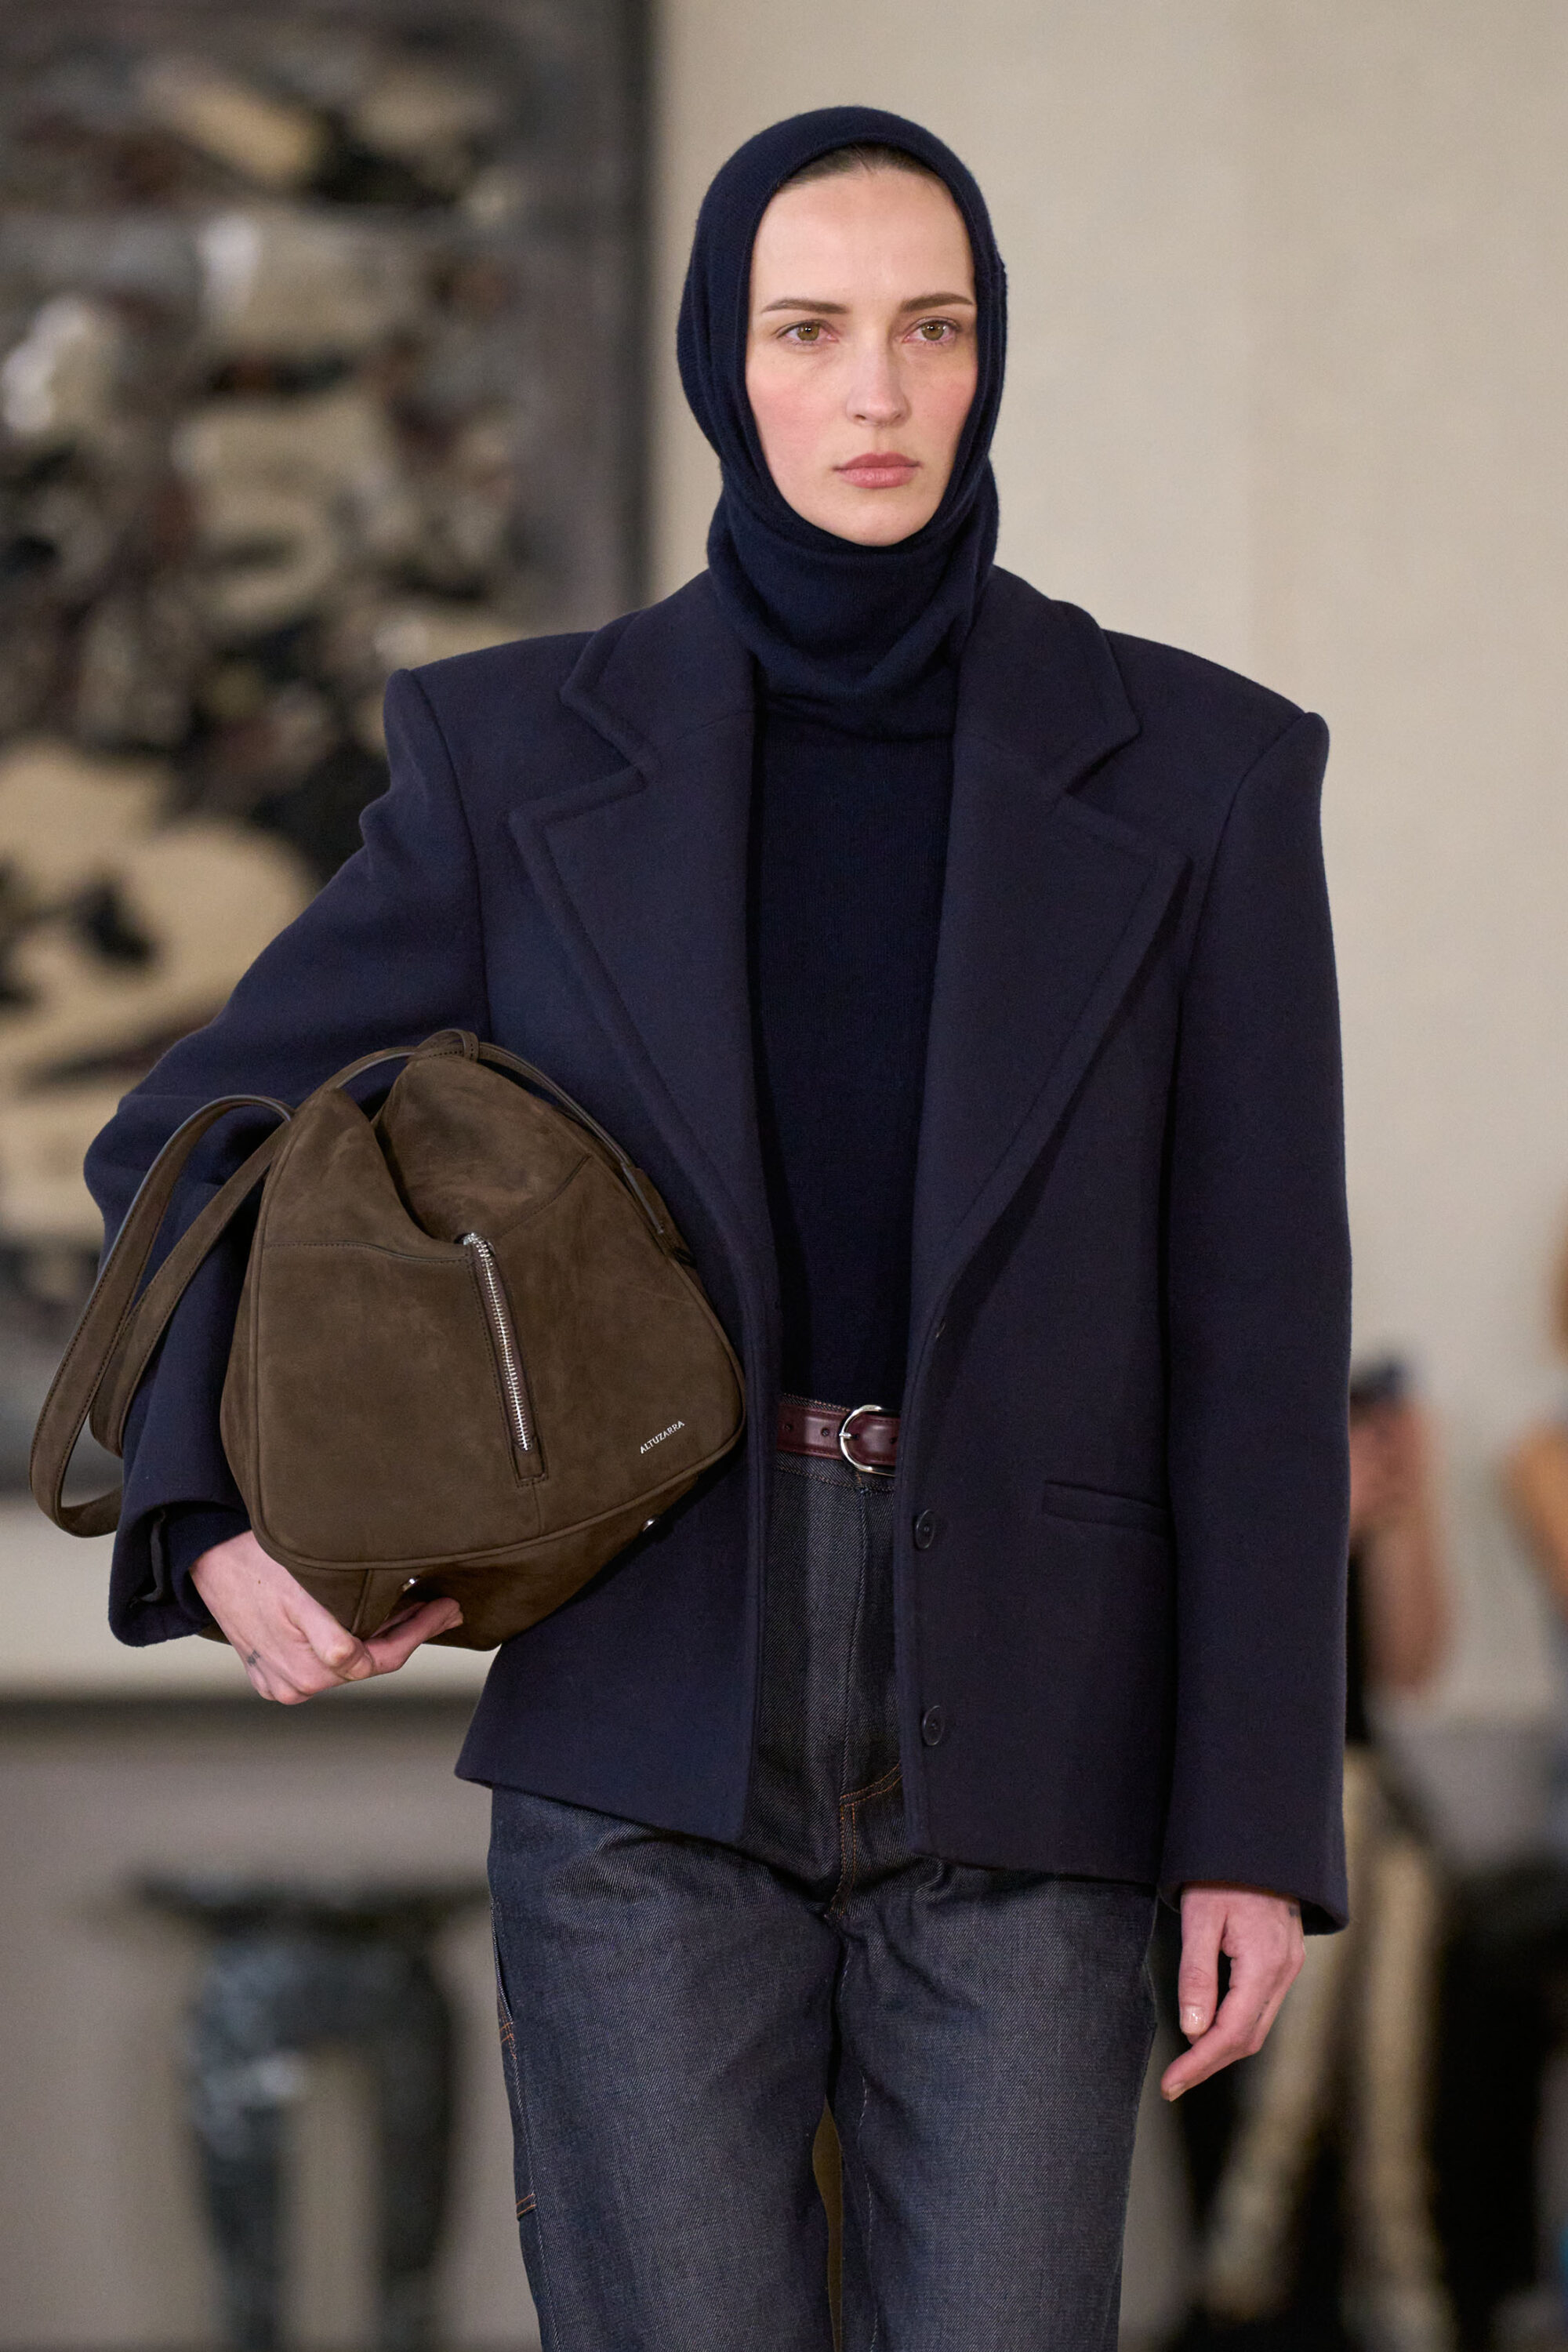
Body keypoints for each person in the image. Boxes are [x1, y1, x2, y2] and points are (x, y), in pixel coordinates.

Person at [82, 108, 1352, 2350]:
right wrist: (207, 1518)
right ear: (717, 361)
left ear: (988, 357)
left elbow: (1257, 1335)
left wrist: (1252, 1812)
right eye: (808, 329)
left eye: (929, 330)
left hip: (1039, 1731)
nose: (874, 391)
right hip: (642, 1718)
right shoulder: (514, 757)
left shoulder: (1201, 775)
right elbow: (190, 1138)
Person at [1160, 1361, 1452, 2352]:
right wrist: (1313, 1521)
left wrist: (1400, 1514)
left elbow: (1411, 1665)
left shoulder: (1365, 1465)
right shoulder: (1247, 1468)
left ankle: (1370, 2278)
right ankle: (1253, 2275)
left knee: (1390, 2057)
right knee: (1293, 2078)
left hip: (1367, 1803)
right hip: (1288, 1801)